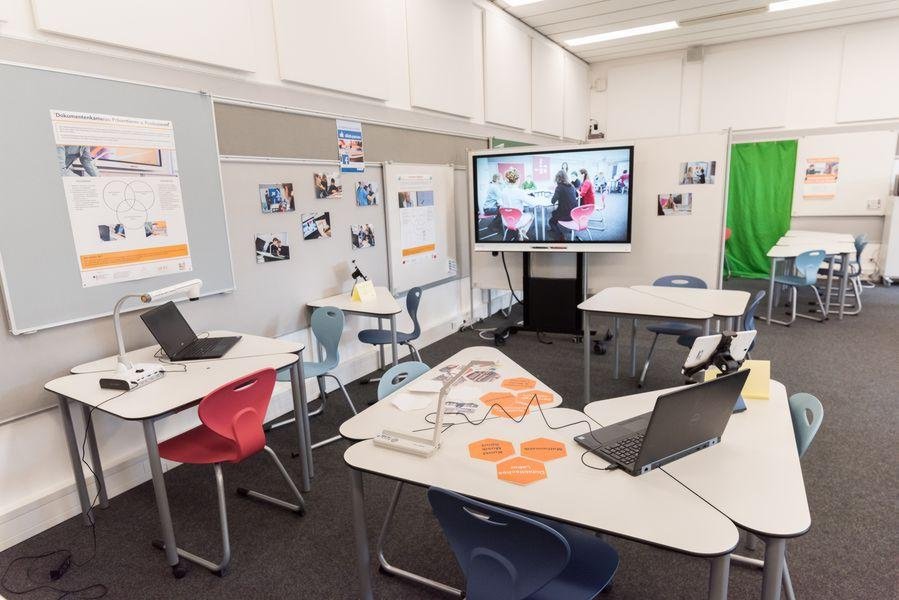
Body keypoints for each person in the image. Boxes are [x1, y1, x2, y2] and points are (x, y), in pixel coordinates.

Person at [548, 170, 578, 240]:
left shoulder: (559, 187)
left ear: (558, 178)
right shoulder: (572, 186)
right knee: (554, 213)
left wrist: (556, 195)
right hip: (574, 214)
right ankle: (554, 229)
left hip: (566, 214)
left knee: (551, 221)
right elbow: (576, 195)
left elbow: (553, 201)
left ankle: (560, 236)